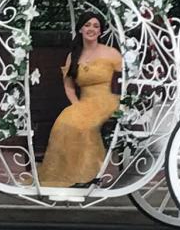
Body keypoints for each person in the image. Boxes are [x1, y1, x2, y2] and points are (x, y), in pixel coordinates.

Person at [38, 12, 123, 187]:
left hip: (107, 100)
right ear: (81, 28)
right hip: (84, 102)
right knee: (66, 121)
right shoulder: (73, 56)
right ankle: (72, 174)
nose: (91, 29)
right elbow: (69, 85)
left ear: (100, 31)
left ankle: (89, 174)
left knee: (84, 123)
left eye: (96, 26)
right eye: (87, 25)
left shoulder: (111, 53)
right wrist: (76, 104)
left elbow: (125, 79)